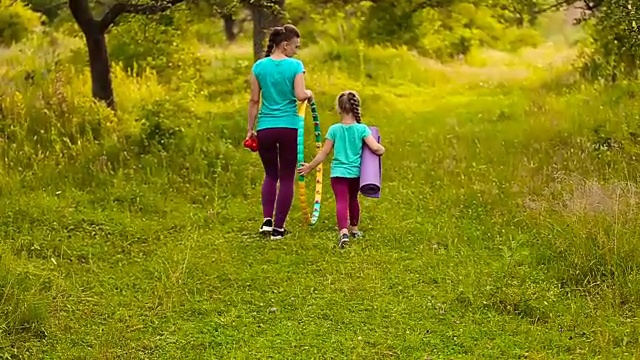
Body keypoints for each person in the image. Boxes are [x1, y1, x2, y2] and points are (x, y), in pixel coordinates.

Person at [246, 24, 313, 240]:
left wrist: (250, 129)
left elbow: (254, 101)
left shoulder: (258, 67)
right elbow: (300, 94)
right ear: (285, 45)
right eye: (295, 46)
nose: (296, 51)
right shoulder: (295, 65)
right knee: (285, 177)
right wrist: (309, 93)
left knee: (270, 175)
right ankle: (278, 229)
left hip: (265, 128)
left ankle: (267, 222)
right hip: (288, 128)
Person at [298, 90, 385, 248]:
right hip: (355, 174)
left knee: (341, 201)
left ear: (339, 109)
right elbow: (376, 149)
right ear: (356, 107)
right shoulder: (362, 129)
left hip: (338, 174)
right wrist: (382, 149)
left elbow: (323, 152)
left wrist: (310, 166)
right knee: (353, 199)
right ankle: (354, 229)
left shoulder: (334, 129)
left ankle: (343, 232)